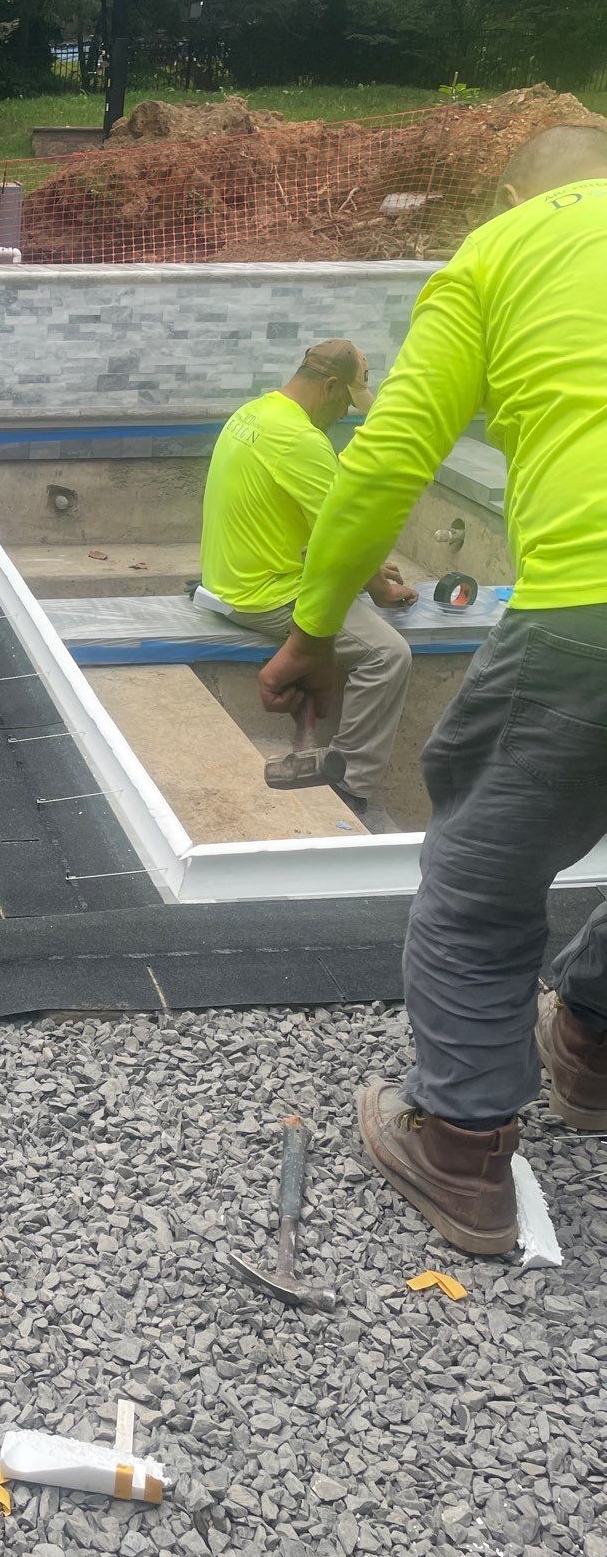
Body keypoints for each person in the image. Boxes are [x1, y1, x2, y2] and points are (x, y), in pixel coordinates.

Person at [258, 124, 607, 1256]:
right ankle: (592, 1042)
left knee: (478, 881)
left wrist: (315, 628)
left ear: (511, 192)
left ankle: (456, 1148)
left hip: (588, 610)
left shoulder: (504, 249)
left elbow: (389, 456)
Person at [199, 340, 417, 813]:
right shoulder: (302, 441)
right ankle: (351, 788)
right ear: (331, 386)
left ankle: (319, 747)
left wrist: (369, 566)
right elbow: (349, 536)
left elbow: (322, 527)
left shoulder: (256, 413)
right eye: (345, 402)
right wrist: (381, 587)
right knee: (389, 654)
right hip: (266, 594)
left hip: (228, 579)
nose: (346, 414)